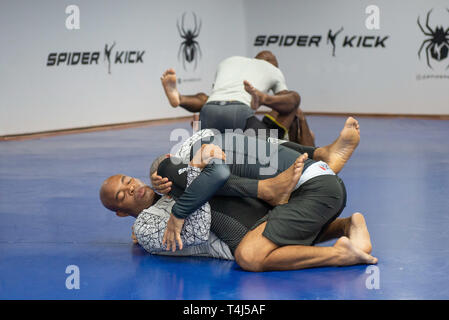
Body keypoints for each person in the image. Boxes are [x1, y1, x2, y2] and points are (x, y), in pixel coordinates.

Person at [100, 118, 378, 271]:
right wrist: (182, 203)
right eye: (122, 195)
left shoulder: (165, 173)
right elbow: (196, 229)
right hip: (283, 204)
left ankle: (317, 158)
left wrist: (190, 174)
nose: (130, 188)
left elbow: (214, 167)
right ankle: (342, 226)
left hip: (303, 187)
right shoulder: (147, 223)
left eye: (126, 181)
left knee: (251, 254)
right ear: (120, 212)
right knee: (251, 245)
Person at [161, 51, 315, 146]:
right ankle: (264, 99)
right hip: (245, 122)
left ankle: (181, 98)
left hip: (210, 112)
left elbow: (212, 98)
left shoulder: (230, 62)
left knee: (210, 98)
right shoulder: (273, 70)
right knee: (293, 100)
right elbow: (289, 100)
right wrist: (298, 114)